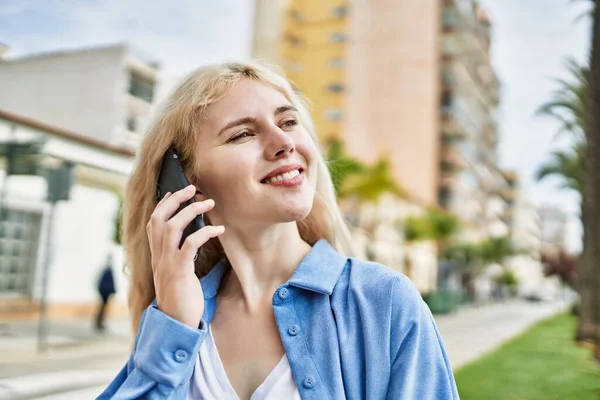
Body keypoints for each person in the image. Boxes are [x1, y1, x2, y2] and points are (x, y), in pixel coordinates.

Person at [98, 62, 459, 400]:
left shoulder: (383, 302)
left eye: (288, 122)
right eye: (242, 134)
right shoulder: (173, 317)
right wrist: (172, 326)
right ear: (189, 184)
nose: (284, 143)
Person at [95, 254, 116, 332]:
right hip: (105, 292)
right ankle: (99, 323)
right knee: (102, 308)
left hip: (105, 292)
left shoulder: (107, 270)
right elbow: (108, 283)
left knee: (103, 308)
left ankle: (100, 322)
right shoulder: (108, 270)